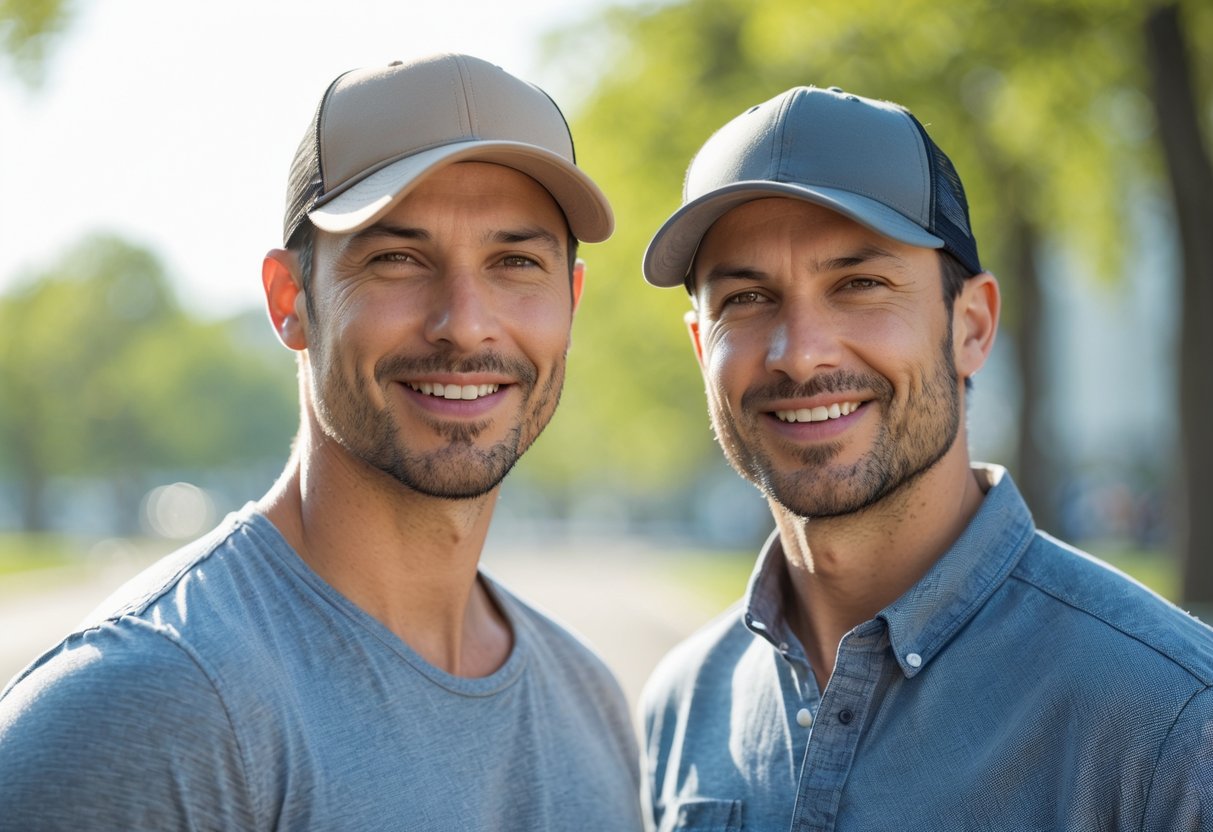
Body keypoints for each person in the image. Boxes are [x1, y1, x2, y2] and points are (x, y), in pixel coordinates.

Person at [0, 53, 643, 830]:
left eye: (514, 263)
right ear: (289, 302)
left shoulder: (591, 702)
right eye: (397, 259)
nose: (465, 321)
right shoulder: (148, 705)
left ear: (569, 303)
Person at [639, 85, 1213, 830]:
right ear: (699, 348)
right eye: (746, 300)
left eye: (859, 284)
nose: (799, 354)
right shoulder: (683, 705)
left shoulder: (1170, 720)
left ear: (970, 326)